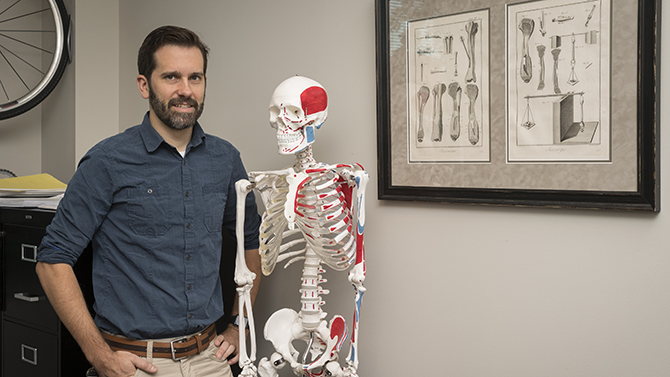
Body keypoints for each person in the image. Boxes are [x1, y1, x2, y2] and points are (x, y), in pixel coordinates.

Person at [35, 25, 262, 377]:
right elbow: (52, 260)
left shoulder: (226, 159)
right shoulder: (107, 162)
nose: (185, 90)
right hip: (137, 365)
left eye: (195, 78)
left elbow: (253, 243)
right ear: (144, 85)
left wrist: (237, 325)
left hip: (210, 360)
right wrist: (99, 355)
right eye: (171, 77)